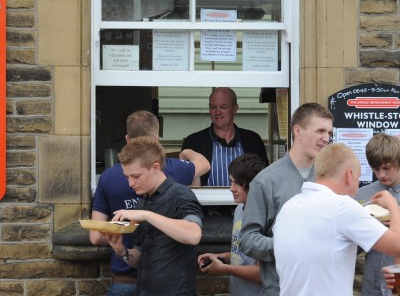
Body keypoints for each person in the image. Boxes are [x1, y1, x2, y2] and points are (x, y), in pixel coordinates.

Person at [90, 110, 210, 296]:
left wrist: (146, 215)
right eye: (127, 177)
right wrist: (121, 250)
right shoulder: (144, 202)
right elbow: (140, 258)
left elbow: (194, 235)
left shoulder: (181, 194)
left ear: (155, 168)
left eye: (135, 176)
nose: (130, 183)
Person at [273, 143, 400, 296]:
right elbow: (397, 246)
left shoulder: (289, 207)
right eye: (358, 177)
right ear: (349, 175)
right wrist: (392, 205)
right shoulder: (342, 207)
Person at [239, 102, 334, 296]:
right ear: (298, 131)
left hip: (325, 287)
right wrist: (287, 245)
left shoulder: (331, 176)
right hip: (282, 289)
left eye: (329, 133)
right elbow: (247, 240)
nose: (326, 139)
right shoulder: (265, 181)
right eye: (320, 131)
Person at [198, 153, 266, 296]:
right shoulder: (240, 209)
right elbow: (243, 256)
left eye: (238, 183)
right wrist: (221, 257)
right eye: (231, 181)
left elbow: (263, 272)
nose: (231, 188)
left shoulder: (267, 217)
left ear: (254, 184)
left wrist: (225, 269)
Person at [181, 87, 268, 186]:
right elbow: (186, 184)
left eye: (223, 107)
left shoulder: (253, 140)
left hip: (246, 202)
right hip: (205, 201)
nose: (217, 112)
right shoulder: (193, 142)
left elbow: (264, 179)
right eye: (213, 107)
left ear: (235, 109)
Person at [354, 133, 400, 296]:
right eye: (376, 169)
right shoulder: (362, 195)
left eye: (387, 168)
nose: (381, 175)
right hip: (372, 285)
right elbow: (354, 247)